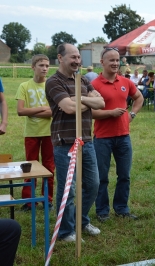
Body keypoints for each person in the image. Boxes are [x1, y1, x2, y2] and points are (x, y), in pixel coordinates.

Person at [45, 43, 105, 242]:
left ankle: (82, 220)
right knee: (67, 189)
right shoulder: (54, 82)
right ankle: (66, 231)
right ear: (60, 58)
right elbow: (69, 108)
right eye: (73, 57)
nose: (77, 61)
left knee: (93, 184)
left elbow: (101, 102)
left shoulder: (82, 80)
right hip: (65, 142)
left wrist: (80, 98)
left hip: (86, 140)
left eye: (79, 57)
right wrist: (87, 99)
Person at [91, 48, 144, 222]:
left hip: (123, 137)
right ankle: (102, 211)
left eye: (117, 60)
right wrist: (110, 113)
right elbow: (89, 113)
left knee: (124, 175)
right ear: (102, 62)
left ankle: (121, 208)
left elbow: (139, 98)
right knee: (102, 177)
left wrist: (132, 115)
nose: (115, 63)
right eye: (111, 60)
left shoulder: (125, 82)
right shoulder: (94, 85)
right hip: (102, 138)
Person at [15, 54, 55, 211]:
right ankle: (29, 201)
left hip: (48, 133)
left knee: (49, 167)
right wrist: (42, 109)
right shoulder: (24, 86)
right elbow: (20, 111)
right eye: (41, 65)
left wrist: (31, 111)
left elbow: (54, 112)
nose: (45, 68)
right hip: (31, 133)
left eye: (47, 66)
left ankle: (47, 200)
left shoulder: (51, 86)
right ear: (33, 67)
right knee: (30, 167)